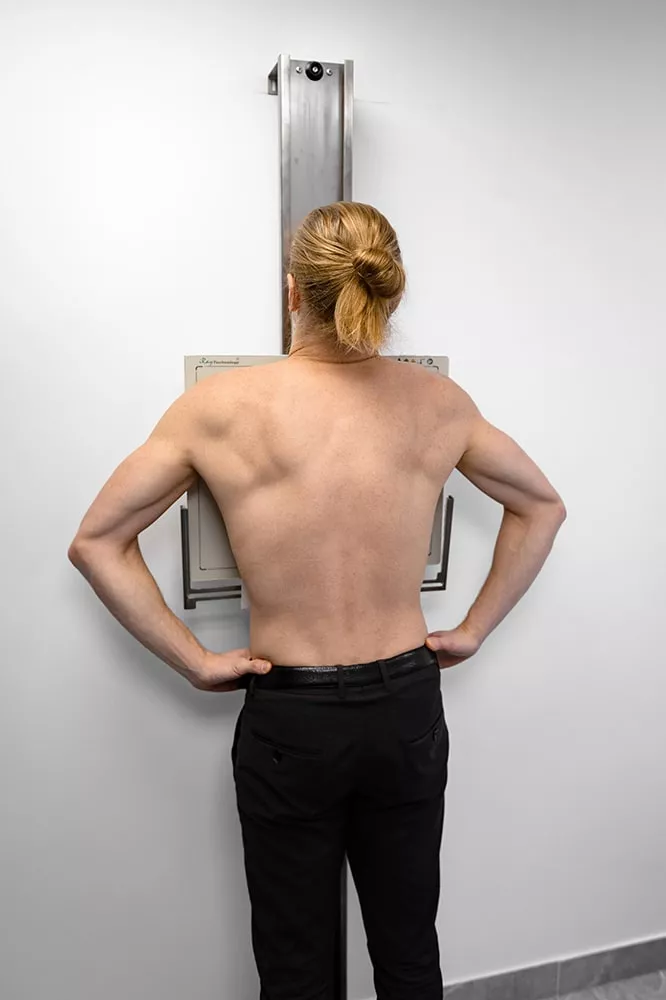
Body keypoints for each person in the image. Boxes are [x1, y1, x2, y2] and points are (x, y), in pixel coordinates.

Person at [68, 201, 566, 999]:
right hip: (405, 707)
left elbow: (97, 540)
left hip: (290, 720)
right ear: (388, 293)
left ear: (293, 290)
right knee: (409, 952)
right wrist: (473, 630)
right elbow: (542, 505)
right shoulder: (439, 403)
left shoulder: (220, 408)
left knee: (296, 968)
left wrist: (195, 661)